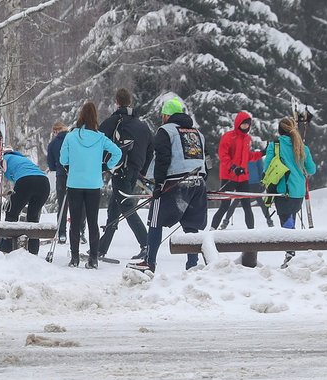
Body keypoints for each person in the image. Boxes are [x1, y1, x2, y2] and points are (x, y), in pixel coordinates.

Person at [130, 96, 207, 274]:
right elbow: (204, 159)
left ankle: (149, 261)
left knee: (155, 220)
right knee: (191, 225)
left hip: (175, 183)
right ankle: (192, 265)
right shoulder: (197, 133)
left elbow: (162, 159)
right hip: (198, 181)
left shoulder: (165, 131)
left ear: (166, 116)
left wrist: (158, 185)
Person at [59, 102, 121, 268]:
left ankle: (74, 258)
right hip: (93, 184)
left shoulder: (71, 136)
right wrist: (106, 166)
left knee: (75, 221)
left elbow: (62, 159)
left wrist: (70, 165)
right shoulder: (100, 137)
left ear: (81, 116)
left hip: (74, 183)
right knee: (93, 221)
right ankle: (93, 258)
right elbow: (117, 152)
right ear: (95, 117)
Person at [98, 88, 154, 261]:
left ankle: (146, 244)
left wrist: (102, 166)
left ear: (116, 101)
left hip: (120, 170)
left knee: (126, 207)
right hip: (135, 170)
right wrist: (141, 170)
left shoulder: (112, 122)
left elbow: (99, 142)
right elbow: (151, 149)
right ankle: (101, 249)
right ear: (130, 102)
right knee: (114, 209)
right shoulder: (142, 126)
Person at [265, 117, 316, 266]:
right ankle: (292, 254)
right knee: (291, 220)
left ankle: (290, 254)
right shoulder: (302, 147)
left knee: (286, 223)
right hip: (298, 191)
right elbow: (312, 169)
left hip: (282, 190)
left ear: (279, 131)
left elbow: (266, 167)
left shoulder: (275, 146)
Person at [209, 111, 264, 231]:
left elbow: (247, 156)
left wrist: (261, 153)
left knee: (247, 206)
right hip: (229, 177)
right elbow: (223, 155)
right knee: (224, 206)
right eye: (244, 124)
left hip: (243, 178)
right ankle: (212, 230)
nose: (246, 127)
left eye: (248, 124)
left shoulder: (247, 139)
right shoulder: (228, 136)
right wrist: (234, 168)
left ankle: (251, 232)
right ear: (238, 123)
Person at [0, 149, 50, 255]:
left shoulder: (4, 159)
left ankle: (6, 250)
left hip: (25, 181)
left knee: (11, 214)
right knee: (33, 218)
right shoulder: (23, 159)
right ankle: (33, 251)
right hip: (44, 182)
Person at [46, 121, 69, 243]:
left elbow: (51, 165)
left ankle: (62, 233)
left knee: (62, 205)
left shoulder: (53, 144)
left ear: (55, 131)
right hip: (76, 175)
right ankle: (80, 231)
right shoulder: (73, 139)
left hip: (61, 176)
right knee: (79, 205)